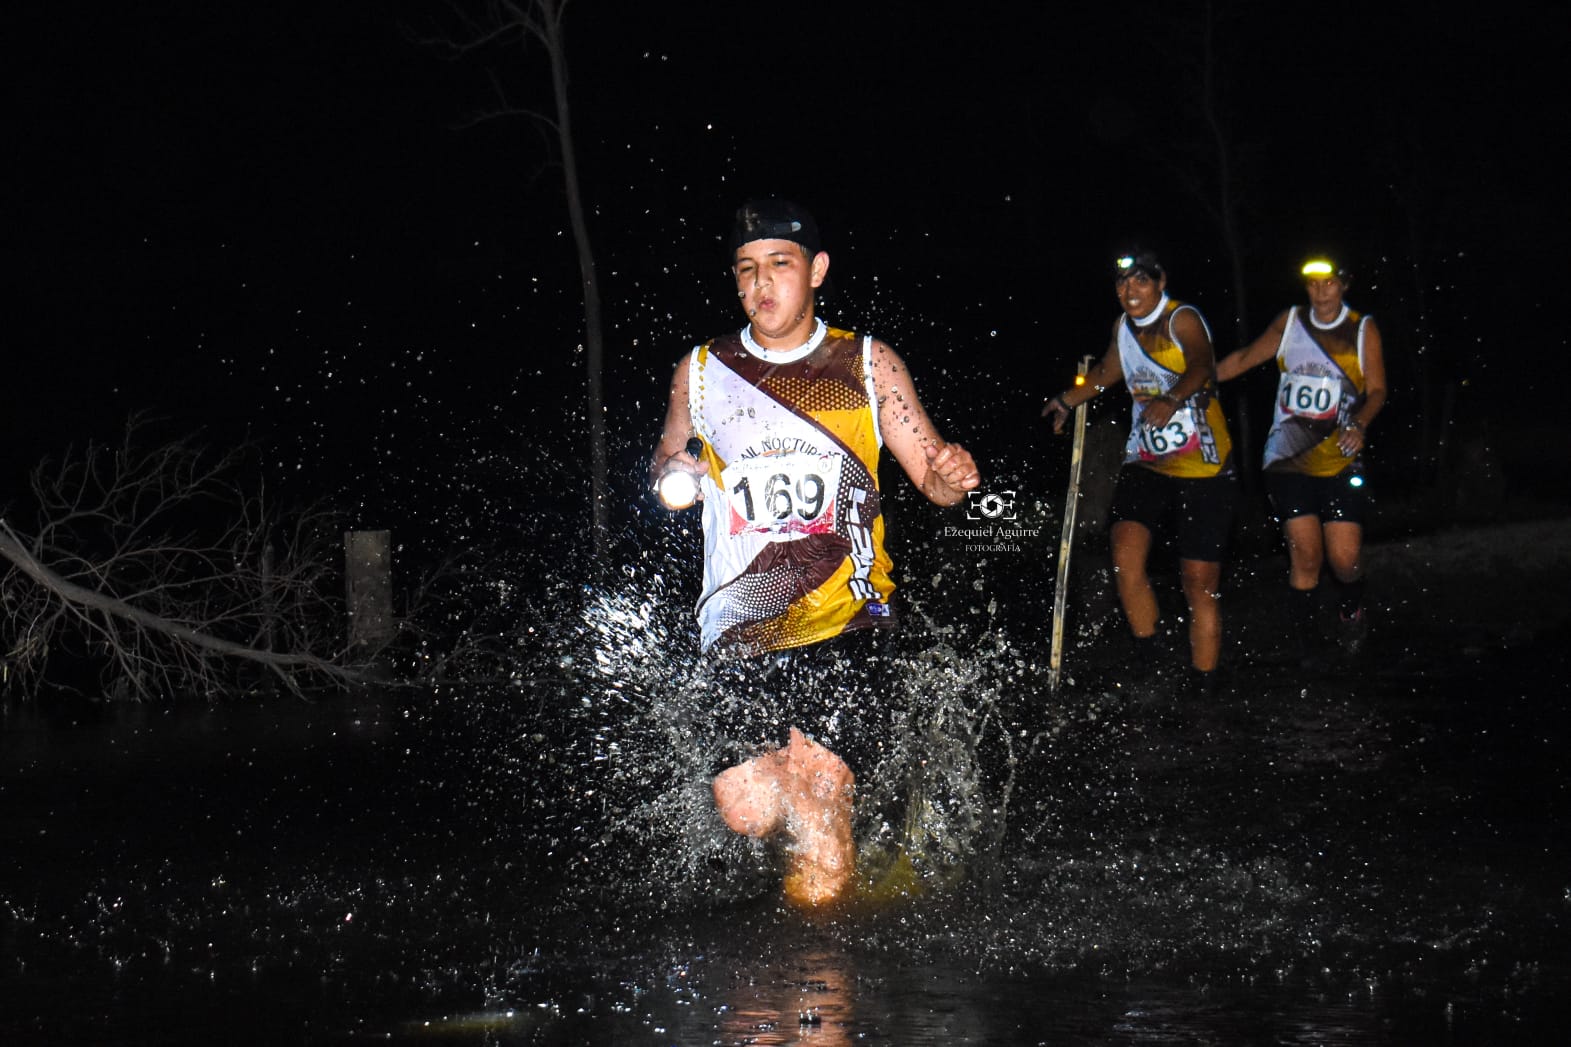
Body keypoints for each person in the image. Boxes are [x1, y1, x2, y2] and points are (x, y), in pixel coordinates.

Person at [650, 199, 981, 907]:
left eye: (780, 264)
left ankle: (821, 964)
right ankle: (847, 870)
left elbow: (932, 477)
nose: (760, 283)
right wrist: (675, 474)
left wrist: (950, 477)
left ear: (817, 270)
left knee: (820, 800)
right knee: (749, 810)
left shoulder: (868, 363)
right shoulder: (701, 371)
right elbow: (666, 463)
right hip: (739, 621)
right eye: (746, 269)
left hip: (848, 615)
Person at [1042, 249, 1238, 698]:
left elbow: (1202, 365)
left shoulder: (1181, 318)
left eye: (1140, 281)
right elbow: (1108, 371)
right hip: (1146, 462)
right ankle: (1151, 657)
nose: (1130, 291)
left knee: (1198, 581)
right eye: (1122, 283)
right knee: (1124, 558)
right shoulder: (1122, 327)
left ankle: (1204, 682)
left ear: (1160, 281)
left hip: (1204, 468)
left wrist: (1171, 398)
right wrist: (1068, 400)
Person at [1214, 256, 1386, 656]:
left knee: (1344, 559)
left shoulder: (1362, 329)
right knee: (1306, 556)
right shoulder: (1290, 321)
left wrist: (1359, 423)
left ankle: (1351, 608)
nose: (1321, 292)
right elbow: (1243, 358)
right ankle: (1308, 649)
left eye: (1329, 283)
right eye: (1313, 284)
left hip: (1340, 457)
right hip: (1287, 460)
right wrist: (1193, 381)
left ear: (1344, 284)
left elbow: (1377, 390)